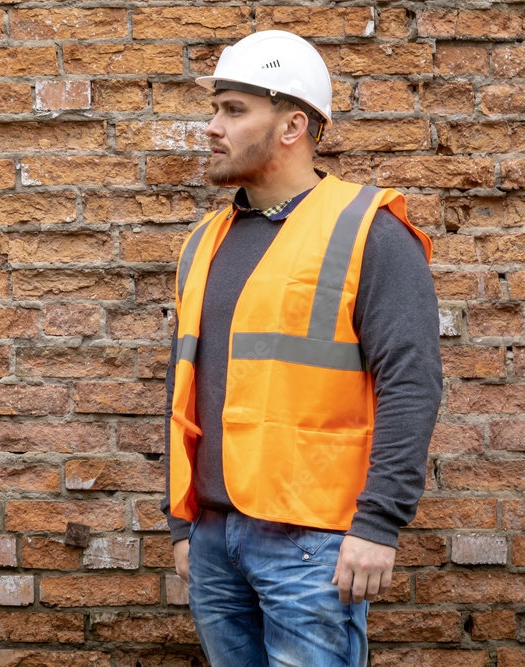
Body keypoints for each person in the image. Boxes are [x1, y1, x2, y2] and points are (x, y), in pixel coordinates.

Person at [160, 30, 442, 667]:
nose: (211, 127)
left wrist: (378, 524)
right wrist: (183, 526)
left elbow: (412, 382)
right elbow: (185, 386)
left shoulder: (368, 230)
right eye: (215, 109)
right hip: (211, 538)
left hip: (313, 545)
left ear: (292, 125)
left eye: (233, 111)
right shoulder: (205, 241)